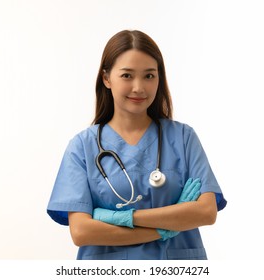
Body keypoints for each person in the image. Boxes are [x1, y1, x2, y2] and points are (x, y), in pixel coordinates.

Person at [47, 30, 227, 260]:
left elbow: (206, 212)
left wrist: (120, 218)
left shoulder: (183, 138)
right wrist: (166, 228)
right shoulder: (83, 147)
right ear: (106, 78)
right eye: (127, 76)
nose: (139, 87)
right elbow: (82, 232)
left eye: (149, 76)